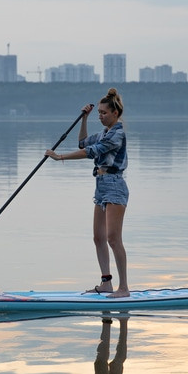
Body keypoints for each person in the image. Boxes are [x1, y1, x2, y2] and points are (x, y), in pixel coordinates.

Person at [46, 88, 129, 298]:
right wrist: (84, 118)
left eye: (104, 113)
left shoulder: (117, 134)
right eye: (99, 113)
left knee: (113, 238)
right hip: (100, 185)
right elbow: (83, 142)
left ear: (115, 113)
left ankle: (124, 288)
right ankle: (106, 283)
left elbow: (90, 152)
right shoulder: (103, 133)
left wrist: (60, 157)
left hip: (115, 185)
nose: (100, 116)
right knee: (98, 237)